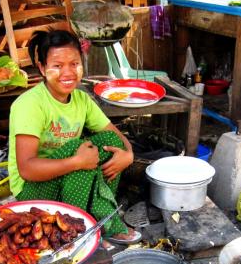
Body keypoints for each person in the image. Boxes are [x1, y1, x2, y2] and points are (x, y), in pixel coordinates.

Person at [8, 29, 141, 244]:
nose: (68, 72)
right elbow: (27, 169)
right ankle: (77, 232)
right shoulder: (29, 105)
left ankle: (97, 217)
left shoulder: (81, 99)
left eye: (74, 63)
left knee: (110, 144)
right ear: (42, 68)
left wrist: (128, 155)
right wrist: (76, 161)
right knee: (79, 150)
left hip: (66, 177)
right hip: (32, 189)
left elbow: (115, 135)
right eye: (57, 66)